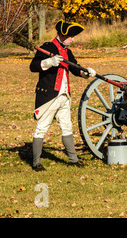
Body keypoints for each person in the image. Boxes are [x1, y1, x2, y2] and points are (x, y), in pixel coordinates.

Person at [30, 20, 96, 171]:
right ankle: (36, 163)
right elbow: (33, 66)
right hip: (49, 95)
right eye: (71, 36)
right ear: (62, 35)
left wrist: (85, 72)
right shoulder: (47, 47)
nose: (73, 39)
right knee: (42, 128)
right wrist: (49, 62)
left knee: (67, 127)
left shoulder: (68, 51)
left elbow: (74, 68)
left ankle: (73, 159)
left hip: (64, 94)